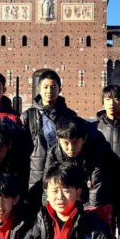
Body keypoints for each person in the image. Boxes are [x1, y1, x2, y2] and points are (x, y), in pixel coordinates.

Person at [21, 70, 78, 202]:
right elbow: (21, 150)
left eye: (53, 87)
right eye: (45, 87)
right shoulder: (28, 116)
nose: (49, 91)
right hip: (35, 175)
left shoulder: (70, 116)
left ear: (60, 89)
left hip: (62, 173)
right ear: (39, 89)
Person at [47, 115, 118, 216]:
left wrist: (91, 216)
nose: (71, 148)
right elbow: (48, 186)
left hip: (104, 192)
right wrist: (49, 214)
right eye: (66, 143)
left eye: (75, 143)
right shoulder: (54, 154)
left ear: (84, 139)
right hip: (73, 193)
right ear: (58, 140)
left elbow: (96, 187)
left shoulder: (97, 151)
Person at [96, 84, 120, 159]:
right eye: (108, 99)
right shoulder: (96, 126)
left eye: (116, 99)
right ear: (103, 103)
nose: (111, 103)